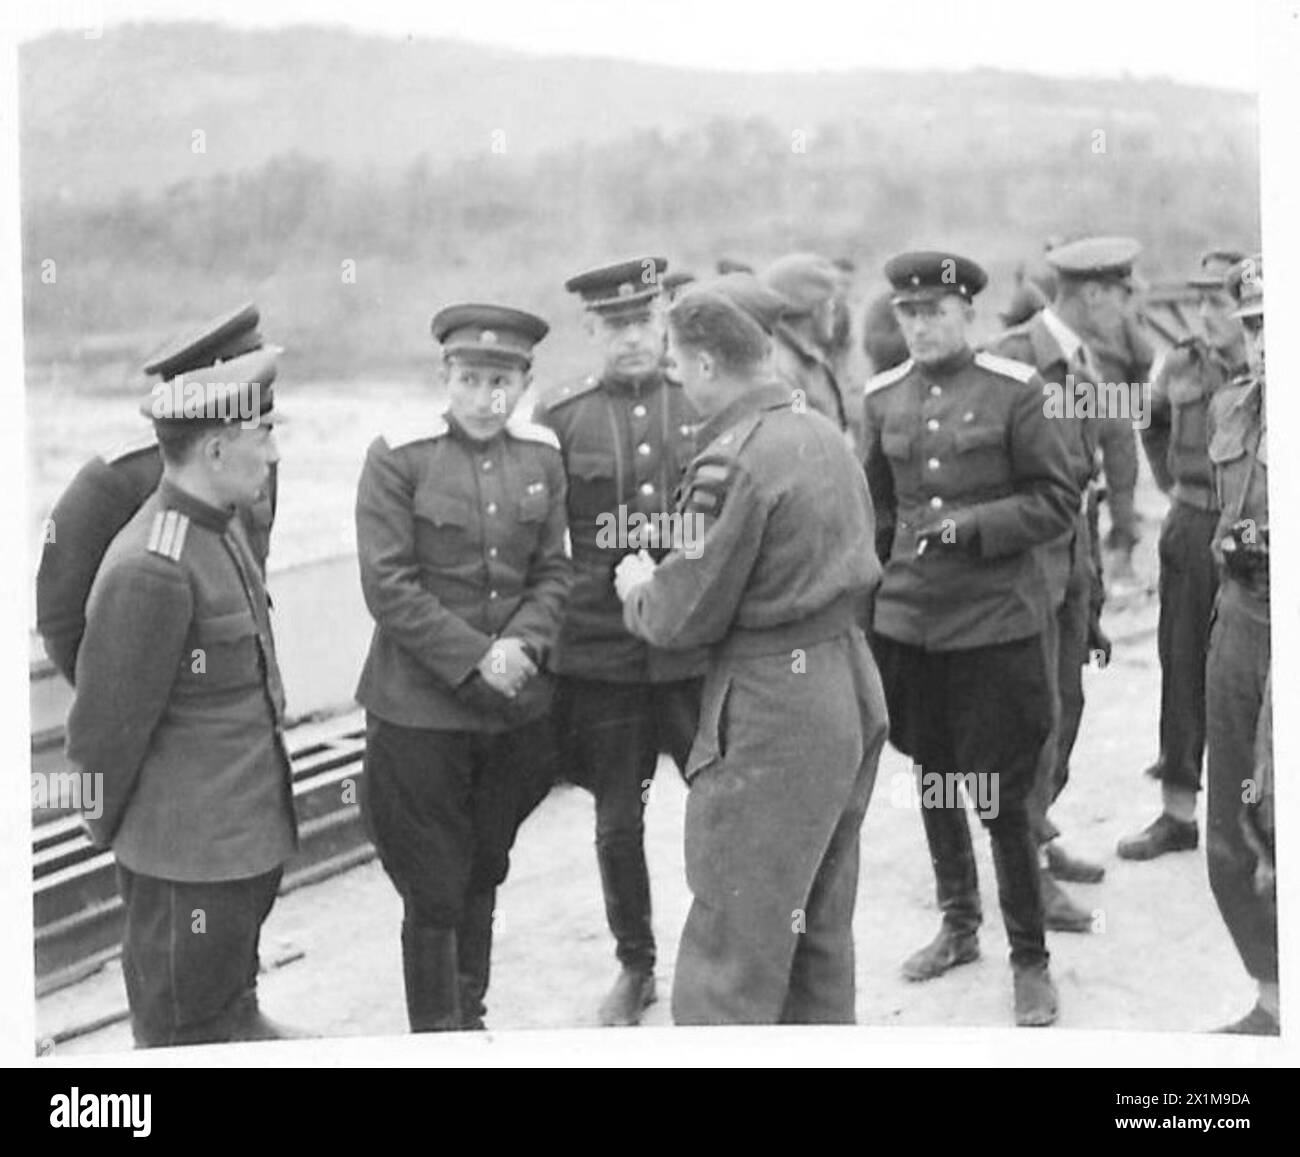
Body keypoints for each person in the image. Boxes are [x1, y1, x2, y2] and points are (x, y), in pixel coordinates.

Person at [616, 286, 887, 1023]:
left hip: (772, 708)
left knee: (733, 945)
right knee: (818, 928)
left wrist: (640, 586)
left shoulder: (733, 462)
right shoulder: (820, 430)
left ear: (706, 363)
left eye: (677, 361)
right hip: (846, 684)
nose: (674, 376)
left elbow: (685, 612)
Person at [64, 325, 299, 1047]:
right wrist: (122, 838)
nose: (276, 449)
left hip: (241, 848)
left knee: (228, 1009)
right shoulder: (152, 565)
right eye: (263, 432)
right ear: (217, 448)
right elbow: (104, 733)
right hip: (184, 868)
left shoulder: (220, 526)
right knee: (178, 1039)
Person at [862, 250, 1078, 1026]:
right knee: (933, 777)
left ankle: (1030, 958)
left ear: (968, 314)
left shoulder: (1019, 393)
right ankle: (959, 925)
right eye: (908, 315)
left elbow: (1058, 502)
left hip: (994, 628)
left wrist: (976, 525)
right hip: (913, 629)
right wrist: (870, 608)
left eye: (935, 312)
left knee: (1005, 798)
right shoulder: (881, 398)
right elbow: (877, 517)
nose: (921, 327)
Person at [355, 304, 570, 1032]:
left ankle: (467, 1014)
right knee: (432, 881)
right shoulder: (398, 455)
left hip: (509, 710)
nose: (486, 397)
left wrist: (523, 647)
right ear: (443, 377)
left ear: (525, 382)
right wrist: (476, 655)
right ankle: (435, 1034)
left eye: (502, 380)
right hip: (420, 713)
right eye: (471, 378)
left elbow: (553, 576)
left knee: (484, 863)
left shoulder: (541, 455)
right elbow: (388, 585)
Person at [533, 258, 704, 1026]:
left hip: (690, 648)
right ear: (591, 330)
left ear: (664, 318)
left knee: (720, 800)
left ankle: (724, 946)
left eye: (644, 320)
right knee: (616, 818)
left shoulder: (699, 405)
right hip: (601, 655)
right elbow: (543, 539)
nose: (632, 337)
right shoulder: (560, 418)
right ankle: (635, 962)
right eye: (615, 325)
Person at [987, 238, 1139, 930]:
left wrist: (1100, 572)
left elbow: (1098, 467)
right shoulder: (1015, 358)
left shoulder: (1089, 362)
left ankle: (1039, 834)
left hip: (1072, 558)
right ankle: (1026, 879)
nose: (1131, 307)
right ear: (1089, 295)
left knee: (1065, 706)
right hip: (1029, 567)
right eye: (1121, 293)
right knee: (1030, 720)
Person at [36, 303, 277, 683]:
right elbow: (60, 619)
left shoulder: (257, 458)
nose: (261, 387)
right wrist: (133, 696)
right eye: (247, 377)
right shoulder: (115, 480)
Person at [1120, 249, 1249, 860]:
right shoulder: (1179, 364)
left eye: (1216, 302)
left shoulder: (1268, 362)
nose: (1204, 314)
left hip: (1257, 529)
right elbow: (1150, 424)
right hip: (1193, 525)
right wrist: (1175, 486)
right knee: (1181, 661)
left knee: (1254, 671)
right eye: (1198, 300)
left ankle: (1260, 815)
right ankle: (1177, 813)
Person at [1203, 257, 1277, 1034]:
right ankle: (1273, 998)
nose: (1262, 342)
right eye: (1254, 326)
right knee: (1231, 819)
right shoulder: (1234, 406)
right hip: (1242, 616)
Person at [761, 252, 852, 433]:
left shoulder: (805, 357)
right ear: (815, 309)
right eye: (829, 303)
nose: (833, 311)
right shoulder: (784, 369)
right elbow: (799, 431)